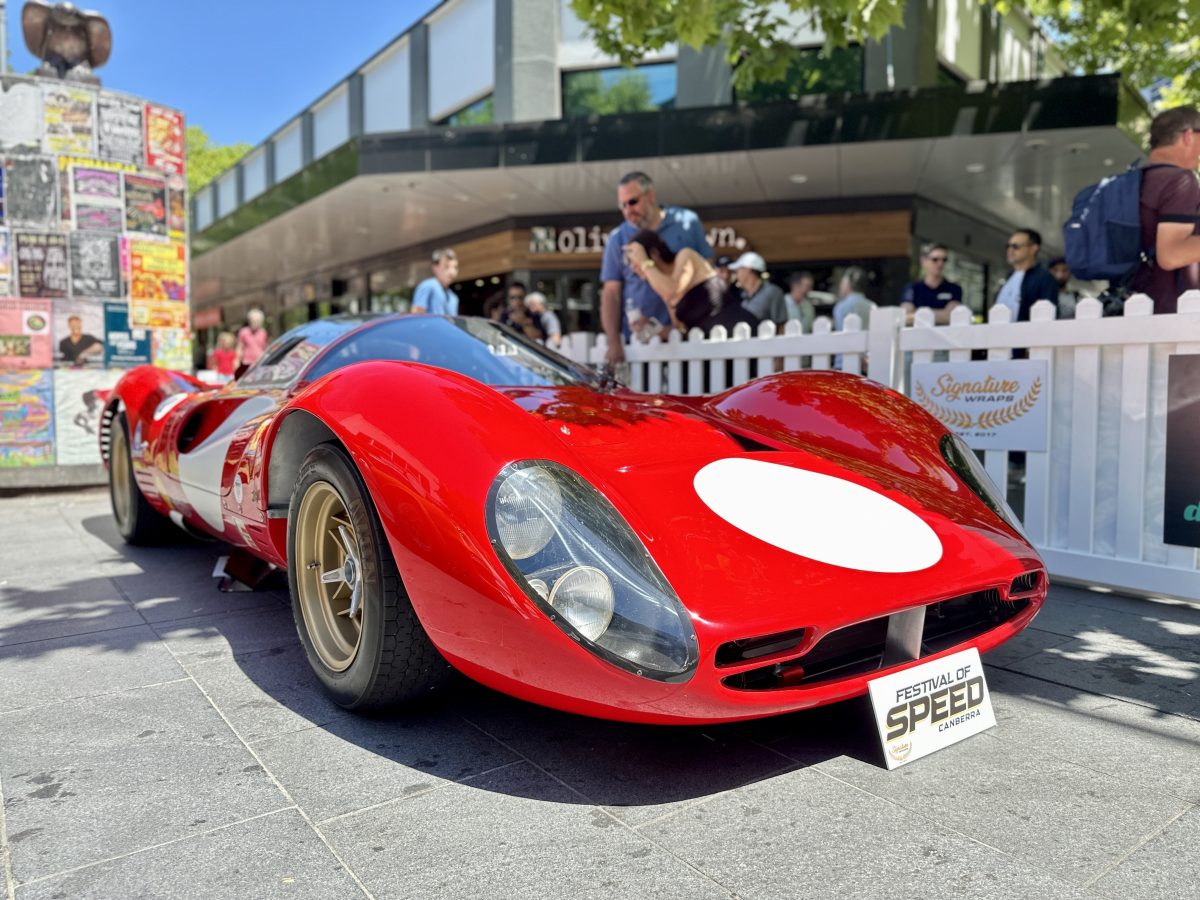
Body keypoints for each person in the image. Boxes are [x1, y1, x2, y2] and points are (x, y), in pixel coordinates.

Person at [600, 171, 713, 364]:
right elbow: (611, 293)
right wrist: (613, 342)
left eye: (633, 202)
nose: (628, 210)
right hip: (639, 344)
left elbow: (708, 269)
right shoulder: (617, 238)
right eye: (622, 205)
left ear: (650, 195)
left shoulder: (687, 222)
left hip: (688, 336)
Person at [1129, 106, 1200, 314]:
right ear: (1188, 136)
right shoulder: (1180, 180)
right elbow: (1171, 254)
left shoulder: (1136, 182)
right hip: (1173, 317)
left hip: (1136, 308)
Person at [624, 228, 758, 336]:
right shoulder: (662, 284)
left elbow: (673, 290)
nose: (633, 267)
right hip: (714, 351)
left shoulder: (686, 255)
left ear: (653, 254)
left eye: (635, 259)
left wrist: (644, 263)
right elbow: (682, 330)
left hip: (742, 333)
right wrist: (651, 328)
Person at [994, 229, 1058, 321]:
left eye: (1015, 246)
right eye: (1008, 246)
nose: (1010, 250)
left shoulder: (1045, 279)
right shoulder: (1008, 277)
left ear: (1033, 249)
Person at [900, 243, 962, 325]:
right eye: (935, 259)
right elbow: (905, 316)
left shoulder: (954, 289)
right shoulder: (912, 288)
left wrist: (917, 313)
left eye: (944, 260)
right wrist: (940, 314)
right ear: (924, 262)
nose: (940, 264)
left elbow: (950, 316)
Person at [732, 252, 788, 327]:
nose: (736, 274)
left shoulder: (772, 292)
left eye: (738, 270)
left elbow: (781, 324)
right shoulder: (742, 295)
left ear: (748, 270)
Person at [411, 248, 460, 315]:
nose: (452, 272)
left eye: (455, 267)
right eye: (446, 267)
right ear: (435, 268)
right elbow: (416, 316)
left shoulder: (453, 297)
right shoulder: (428, 286)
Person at [236, 308, 269, 377]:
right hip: (247, 362)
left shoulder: (263, 332)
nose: (255, 323)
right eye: (253, 321)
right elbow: (239, 347)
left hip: (260, 361)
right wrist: (237, 360)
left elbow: (265, 348)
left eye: (257, 321)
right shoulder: (243, 332)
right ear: (249, 321)